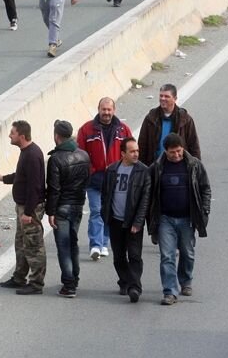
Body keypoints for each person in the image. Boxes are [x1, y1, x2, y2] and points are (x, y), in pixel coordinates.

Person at [147, 133, 211, 306]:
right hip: (165, 219)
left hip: (187, 218)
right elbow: (149, 194)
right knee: (167, 256)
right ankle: (170, 291)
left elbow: (205, 189)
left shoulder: (194, 165)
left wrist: (204, 211)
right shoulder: (157, 168)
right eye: (172, 152)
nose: (176, 155)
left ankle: (186, 280)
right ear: (165, 151)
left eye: (179, 151)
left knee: (187, 253)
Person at [0, 120, 47, 295]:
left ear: (21, 136)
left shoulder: (32, 155)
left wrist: (28, 212)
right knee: (21, 244)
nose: (10, 135)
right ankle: (19, 277)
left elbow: (35, 187)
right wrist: (2, 178)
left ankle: (36, 283)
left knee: (33, 246)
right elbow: (21, 177)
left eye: (12, 133)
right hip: (23, 207)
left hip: (30, 209)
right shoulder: (25, 152)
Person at [77, 97, 134, 261]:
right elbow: (80, 155)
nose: (106, 113)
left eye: (109, 110)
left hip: (117, 181)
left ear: (114, 110)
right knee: (96, 211)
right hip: (94, 181)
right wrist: (90, 171)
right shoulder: (86, 130)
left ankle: (103, 243)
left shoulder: (123, 130)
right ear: (98, 109)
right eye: (104, 109)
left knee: (110, 213)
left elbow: (131, 153)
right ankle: (95, 244)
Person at [101, 137, 151, 303]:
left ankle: (135, 287)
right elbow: (105, 194)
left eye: (137, 151)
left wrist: (138, 222)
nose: (136, 154)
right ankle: (125, 281)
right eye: (132, 151)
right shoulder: (112, 170)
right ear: (123, 153)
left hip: (133, 222)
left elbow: (145, 200)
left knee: (135, 256)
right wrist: (105, 215)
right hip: (115, 220)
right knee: (119, 256)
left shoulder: (143, 171)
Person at [45, 119, 90, 298]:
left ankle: (69, 284)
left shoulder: (55, 159)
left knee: (63, 246)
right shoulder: (84, 155)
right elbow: (87, 180)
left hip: (62, 207)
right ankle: (74, 278)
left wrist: (51, 212)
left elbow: (54, 189)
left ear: (57, 136)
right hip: (78, 205)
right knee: (73, 243)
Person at [138, 83, 202, 165]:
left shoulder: (185, 119)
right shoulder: (150, 118)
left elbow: (194, 146)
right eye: (161, 96)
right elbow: (142, 144)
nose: (162, 98)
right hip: (155, 167)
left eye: (166, 96)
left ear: (175, 98)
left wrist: (196, 168)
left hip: (179, 166)